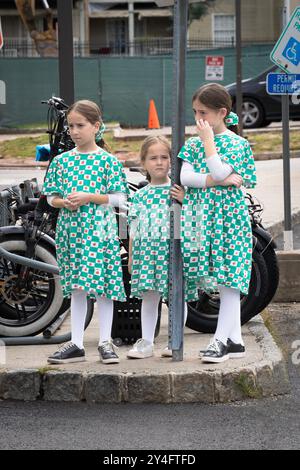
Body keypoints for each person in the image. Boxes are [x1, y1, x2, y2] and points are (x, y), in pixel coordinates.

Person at [126, 136, 242, 359]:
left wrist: (185, 199)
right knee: (149, 298)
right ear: (144, 162)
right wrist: (131, 256)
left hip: (175, 254)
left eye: (164, 157)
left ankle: (174, 340)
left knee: (177, 297)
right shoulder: (139, 196)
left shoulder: (179, 190)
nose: (159, 162)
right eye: (153, 158)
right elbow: (133, 228)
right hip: (148, 256)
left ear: (172, 161)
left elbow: (197, 217)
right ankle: (147, 342)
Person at [42, 100, 128, 364]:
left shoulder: (107, 162)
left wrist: (90, 196)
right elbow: (50, 197)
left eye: (80, 125)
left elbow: (119, 198)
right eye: (70, 126)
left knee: (103, 288)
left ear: (96, 126)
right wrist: (61, 202)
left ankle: (105, 342)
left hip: (99, 233)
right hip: (72, 233)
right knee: (77, 288)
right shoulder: (61, 161)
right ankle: (76, 343)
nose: (74, 131)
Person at [178, 83, 257, 363]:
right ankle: (235, 341)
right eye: (195, 112)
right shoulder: (192, 143)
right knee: (218, 278)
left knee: (229, 280)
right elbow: (187, 178)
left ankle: (220, 341)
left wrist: (209, 145)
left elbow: (221, 168)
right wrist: (214, 181)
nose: (198, 119)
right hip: (201, 218)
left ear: (221, 113)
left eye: (203, 113)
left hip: (229, 219)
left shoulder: (237, 144)